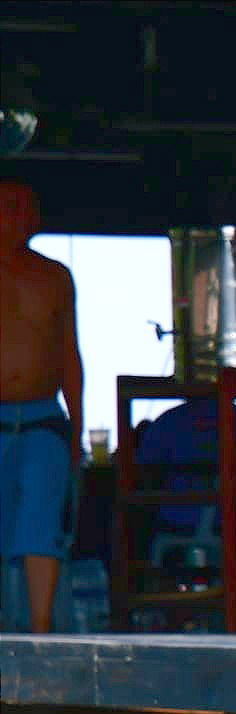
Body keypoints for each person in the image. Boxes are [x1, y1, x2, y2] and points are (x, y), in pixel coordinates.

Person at [0, 180, 82, 632]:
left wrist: (78, 428)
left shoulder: (54, 276)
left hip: (43, 419)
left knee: (41, 527)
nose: (18, 215)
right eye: (8, 206)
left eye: (25, 207)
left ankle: (41, 632)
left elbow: (70, 354)